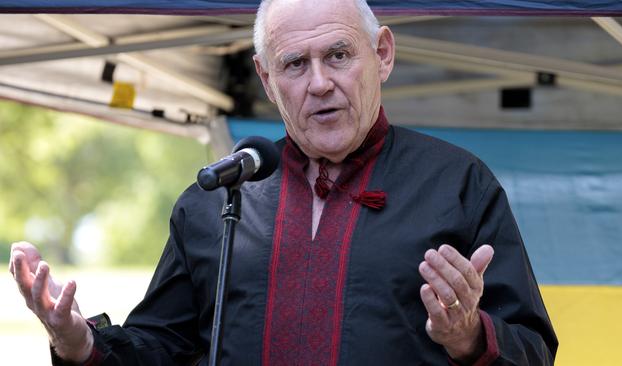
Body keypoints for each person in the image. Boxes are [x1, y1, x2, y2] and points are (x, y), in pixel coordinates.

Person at [9, 0, 558, 364]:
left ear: (382, 55)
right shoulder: (216, 200)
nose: (320, 83)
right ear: (267, 81)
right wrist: (81, 343)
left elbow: (534, 349)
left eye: (339, 56)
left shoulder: (457, 183)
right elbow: (162, 347)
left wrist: (469, 337)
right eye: (295, 64)